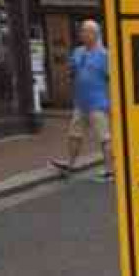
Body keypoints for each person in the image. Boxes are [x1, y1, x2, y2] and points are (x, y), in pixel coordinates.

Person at [50, 19, 113, 181]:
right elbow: (72, 71)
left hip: (98, 102)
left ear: (95, 34)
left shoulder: (105, 55)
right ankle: (70, 165)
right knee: (74, 134)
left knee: (104, 137)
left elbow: (111, 79)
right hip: (81, 102)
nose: (82, 34)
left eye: (86, 31)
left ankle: (109, 170)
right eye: (82, 31)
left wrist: (111, 101)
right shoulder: (78, 52)